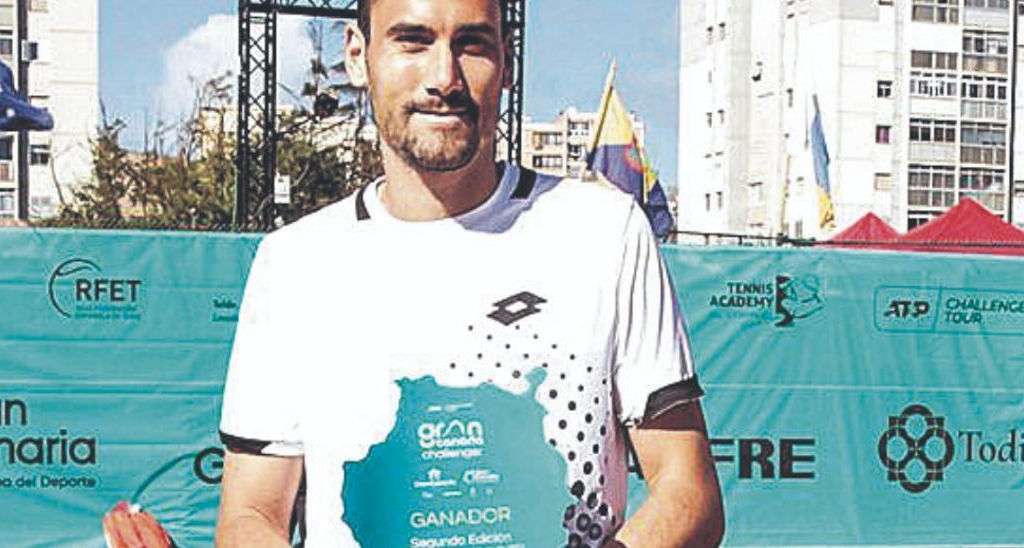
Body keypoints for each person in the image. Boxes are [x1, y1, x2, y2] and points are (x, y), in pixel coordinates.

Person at [216, 0, 724, 546]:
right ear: (359, 56)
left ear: (504, 61)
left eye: (472, 44)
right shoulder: (293, 262)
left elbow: (686, 490)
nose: (444, 77)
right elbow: (252, 513)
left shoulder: (606, 231)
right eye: (413, 41)